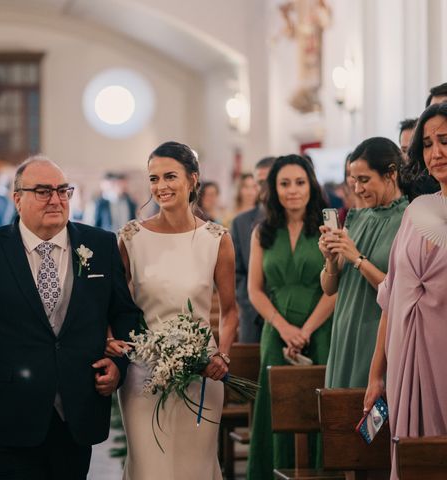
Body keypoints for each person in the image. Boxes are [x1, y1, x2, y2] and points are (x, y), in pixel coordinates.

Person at [0, 156, 141, 480]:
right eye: (43, 191)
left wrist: (119, 365)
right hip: (10, 410)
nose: (56, 199)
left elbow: (125, 314)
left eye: (63, 191)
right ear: (17, 198)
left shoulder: (100, 244)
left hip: (77, 408)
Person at [107, 141, 237, 480]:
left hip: (202, 372)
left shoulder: (215, 238)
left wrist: (221, 355)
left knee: (196, 467)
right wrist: (110, 339)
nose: (160, 187)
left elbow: (230, 310)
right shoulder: (132, 237)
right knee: (150, 468)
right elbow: (113, 303)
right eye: (154, 179)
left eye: (170, 176)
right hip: (143, 372)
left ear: (193, 180)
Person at [364, 102, 447, 480]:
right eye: (427, 145)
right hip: (403, 364)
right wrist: (375, 375)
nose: (436, 152)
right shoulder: (415, 216)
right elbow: (391, 301)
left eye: (445, 140)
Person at [246, 155, 335, 479]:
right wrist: (284, 328)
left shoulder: (329, 228)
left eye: (299, 182)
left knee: (318, 410)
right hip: (277, 332)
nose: (292, 190)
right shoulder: (262, 232)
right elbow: (255, 290)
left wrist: (306, 331)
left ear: (310, 185)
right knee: (274, 411)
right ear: (274, 189)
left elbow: (336, 289)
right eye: (284, 184)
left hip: (321, 330)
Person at [320, 138, 408, 389]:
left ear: (391, 173)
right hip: (344, 331)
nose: (357, 189)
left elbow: (400, 293)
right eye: (353, 180)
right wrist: (331, 259)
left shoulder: (408, 219)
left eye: (365, 180)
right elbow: (329, 288)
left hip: (376, 335)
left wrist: (357, 259)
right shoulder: (356, 217)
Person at [230, 157, 275, 344]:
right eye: (259, 183)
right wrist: (251, 306)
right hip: (252, 316)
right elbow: (236, 273)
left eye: (268, 182)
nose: (262, 188)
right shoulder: (241, 222)